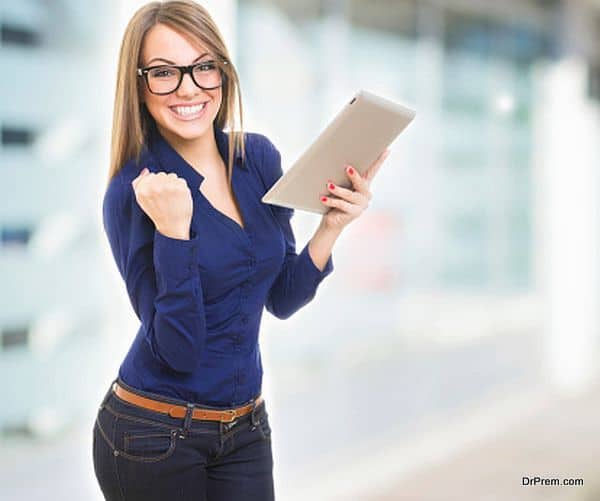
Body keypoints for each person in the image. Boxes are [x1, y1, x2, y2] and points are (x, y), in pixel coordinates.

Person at [92, 1, 389, 500]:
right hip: (152, 436)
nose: (188, 87)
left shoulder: (257, 159)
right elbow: (179, 350)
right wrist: (173, 231)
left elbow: (283, 298)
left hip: (245, 429)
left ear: (223, 74)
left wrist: (331, 228)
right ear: (139, 86)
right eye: (164, 72)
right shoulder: (135, 192)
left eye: (204, 66)